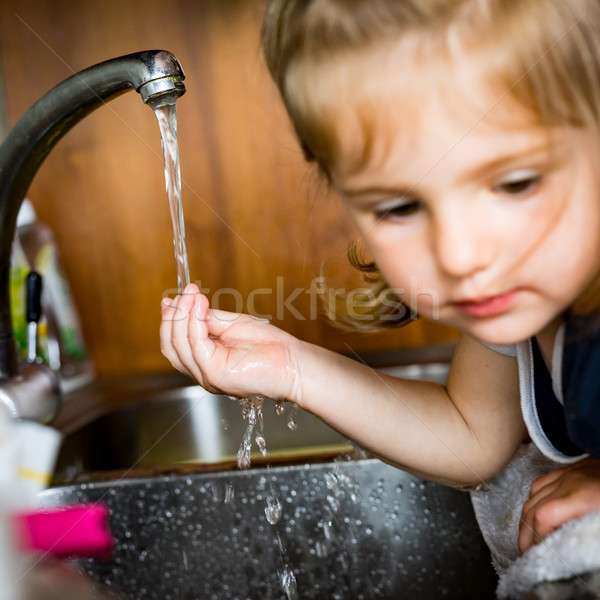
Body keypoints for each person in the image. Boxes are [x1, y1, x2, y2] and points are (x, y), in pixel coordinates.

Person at [160, 0, 600, 566]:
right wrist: (293, 368)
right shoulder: (526, 293)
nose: (460, 254)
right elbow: (470, 437)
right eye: (399, 206)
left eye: (515, 184)